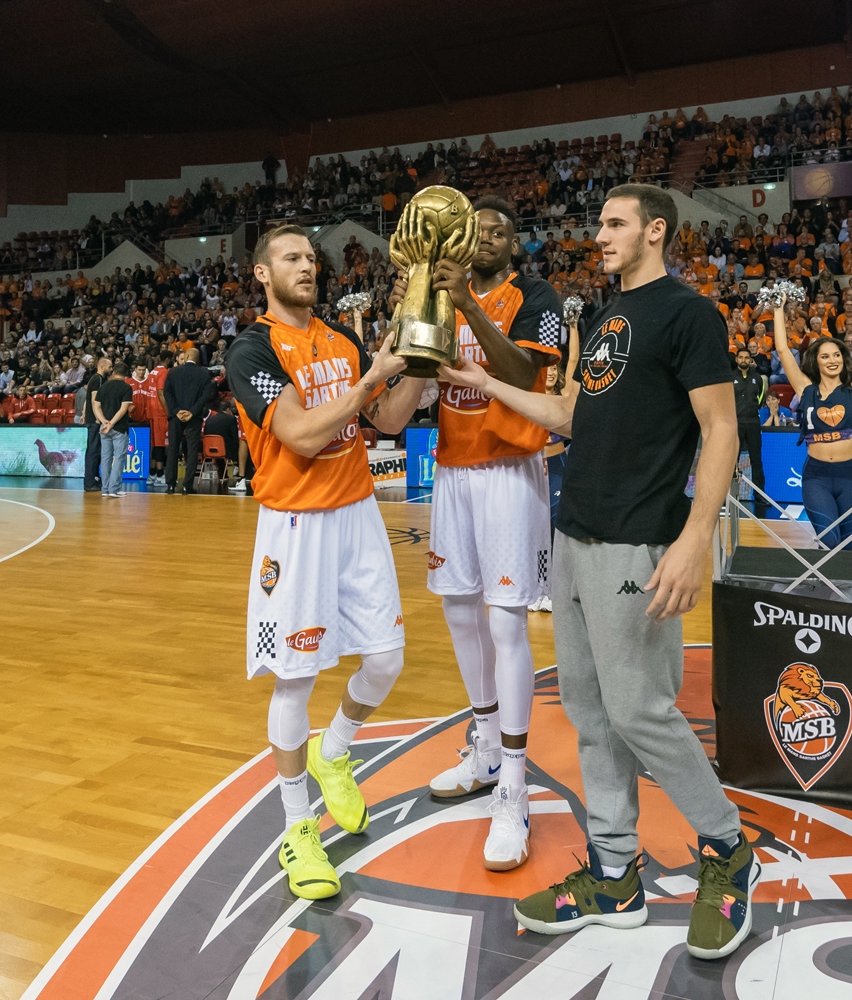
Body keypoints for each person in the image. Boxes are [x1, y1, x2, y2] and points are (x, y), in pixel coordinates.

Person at [440, 184, 754, 961]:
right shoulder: (610, 316)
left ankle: (726, 850)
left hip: (635, 541)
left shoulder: (689, 314)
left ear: (656, 230)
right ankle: (615, 873)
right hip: (575, 534)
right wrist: (483, 383)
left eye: (615, 224)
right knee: (587, 709)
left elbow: (721, 430)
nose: (600, 235)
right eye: (601, 223)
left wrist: (693, 539)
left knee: (641, 709)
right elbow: (568, 415)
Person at [223, 224, 430, 902]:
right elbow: (303, 435)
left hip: (357, 514)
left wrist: (416, 364)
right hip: (295, 527)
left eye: (311, 258)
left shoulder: (339, 339)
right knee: (295, 679)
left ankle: (334, 750)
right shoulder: (251, 348)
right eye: (291, 258)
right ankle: (296, 827)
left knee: (387, 659)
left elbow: (391, 420)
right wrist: (372, 376)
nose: (306, 267)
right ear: (262, 274)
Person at [382, 196, 563, 871]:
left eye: (499, 231)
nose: (486, 237)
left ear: (514, 244)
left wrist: (469, 307)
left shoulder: (534, 294)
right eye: (476, 229)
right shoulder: (436, 295)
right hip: (453, 471)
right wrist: (414, 308)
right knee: (460, 612)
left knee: (508, 624)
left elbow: (521, 373)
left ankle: (514, 789)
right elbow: (414, 384)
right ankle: (486, 748)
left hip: (512, 469)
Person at [772, 286, 852, 551]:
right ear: (817, 361)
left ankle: (839, 591)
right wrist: (778, 310)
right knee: (829, 541)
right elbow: (783, 349)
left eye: (836, 355)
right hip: (817, 476)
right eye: (825, 356)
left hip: (851, 476)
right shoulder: (805, 389)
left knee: (847, 547)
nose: (832, 360)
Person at [163, 347, 217, 494]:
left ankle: (170, 485)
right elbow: (206, 396)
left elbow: (166, 392)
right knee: (192, 450)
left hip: (176, 416)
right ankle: (187, 485)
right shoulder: (204, 373)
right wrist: (192, 412)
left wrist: (176, 410)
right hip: (194, 416)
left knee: (173, 448)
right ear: (198, 359)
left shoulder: (173, 372)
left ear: (186, 356)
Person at [732, 347, 768, 515]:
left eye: (747, 357)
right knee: (732, 462)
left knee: (757, 461)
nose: (744, 360)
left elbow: (760, 400)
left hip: (753, 422)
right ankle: (731, 495)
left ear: (750, 359)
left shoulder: (758, 379)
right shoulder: (730, 377)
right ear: (737, 359)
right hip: (736, 423)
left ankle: (759, 495)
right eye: (741, 357)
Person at [94, 359, 132, 497]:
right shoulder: (127, 388)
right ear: (126, 376)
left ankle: (105, 489)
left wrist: (105, 422)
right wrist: (112, 423)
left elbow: (96, 406)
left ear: (114, 372)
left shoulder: (103, 386)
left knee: (106, 458)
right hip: (119, 428)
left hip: (104, 428)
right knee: (119, 458)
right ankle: (114, 489)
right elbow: (123, 410)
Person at [81, 357, 105, 492]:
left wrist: (84, 413)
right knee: (94, 451)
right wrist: (97, 417)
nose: (111, 369)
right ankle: (90, 482)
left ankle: (93, 479)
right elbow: (94, 398)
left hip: (91, 419)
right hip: (95, 421)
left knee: (93, 451)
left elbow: (87, 399)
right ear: (102, 366)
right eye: (109, 366)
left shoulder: (93, 379)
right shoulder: (98, 379)